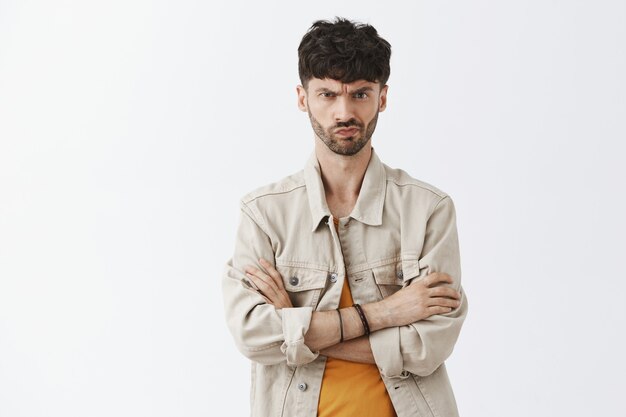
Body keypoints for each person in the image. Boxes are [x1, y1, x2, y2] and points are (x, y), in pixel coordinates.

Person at [222, 17, 468, 417]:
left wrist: (298, 328)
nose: (344, 111)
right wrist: (386, 313)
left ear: (382, 98)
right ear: (303, 98)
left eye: (360, 94)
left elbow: (430, 346)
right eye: (327, 94)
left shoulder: (428, 210)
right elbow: (253, 335)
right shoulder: (264, 213)